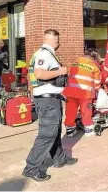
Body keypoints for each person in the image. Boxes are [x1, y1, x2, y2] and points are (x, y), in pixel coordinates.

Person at [23, 29, 77, 182]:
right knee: (47, 134)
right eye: (57, 40)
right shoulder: (44, 54)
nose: (58, 43)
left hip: (52, 99)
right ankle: (31, 168)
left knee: (55, 131)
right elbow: (40, 74)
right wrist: (61, 71)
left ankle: (59, 159)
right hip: (47, 101)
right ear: (53, 40)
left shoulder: (47, 53)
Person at [63, 48, 102, 137]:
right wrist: (97, 91)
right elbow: (97, 83)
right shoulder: (94, 66)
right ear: (94, 57)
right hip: (85, 93)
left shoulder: (75, 62)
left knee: (70, 111)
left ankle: (70, 130)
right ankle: (88, 130)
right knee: (86, 111)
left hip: (71, 91)